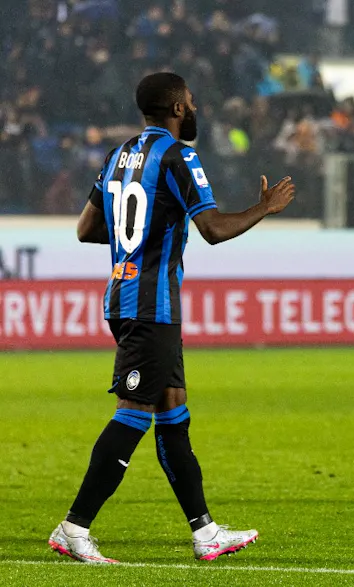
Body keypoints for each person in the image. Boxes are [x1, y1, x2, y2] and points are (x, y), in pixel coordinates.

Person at [48, 72, 295, 564]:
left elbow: (86, 229)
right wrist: (263, 208)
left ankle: (205, 533)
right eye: (191, 101)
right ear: (179, 107)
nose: (194, 106)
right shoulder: (178, 156)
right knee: (134, 412)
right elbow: (214, 229)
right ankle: (73, 527)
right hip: (151, 305)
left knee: (173, 410)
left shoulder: (119, 155)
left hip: (124, 295)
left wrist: (131, 238)